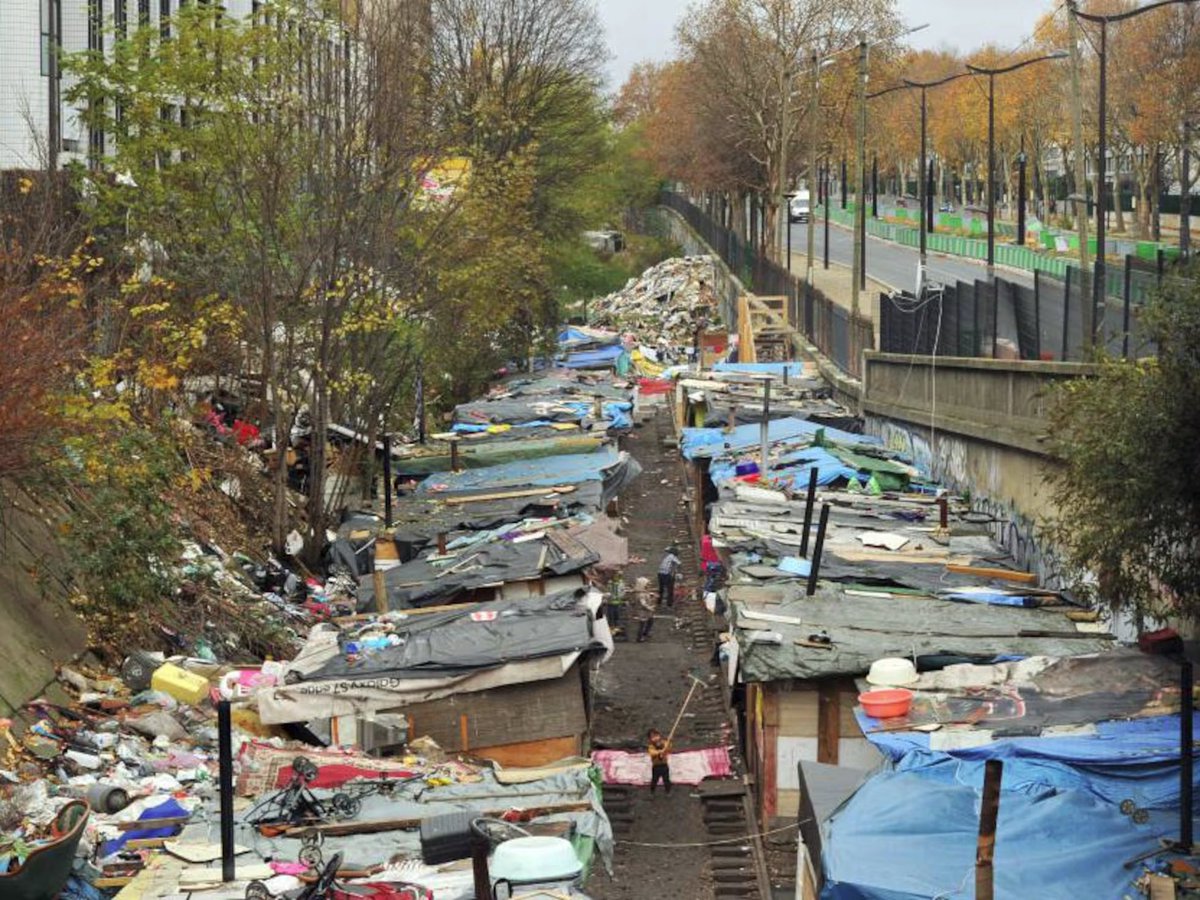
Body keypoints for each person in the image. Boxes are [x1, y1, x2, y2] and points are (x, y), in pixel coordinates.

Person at [647, 728, 671, 794]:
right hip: (656, 767)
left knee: (666, 780)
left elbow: (669, 748)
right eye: (653, 737)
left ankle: (668, 791)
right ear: (650, 739)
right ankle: (652, 791)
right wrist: (660, 751)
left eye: (656, 736)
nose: (656, 738)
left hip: (664, 765)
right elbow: (652, 752)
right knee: (654, 780)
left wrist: (667, 746)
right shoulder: (651, 746)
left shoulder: (664, 743)